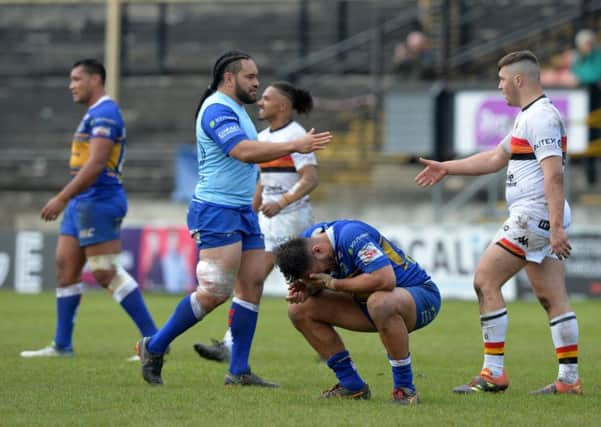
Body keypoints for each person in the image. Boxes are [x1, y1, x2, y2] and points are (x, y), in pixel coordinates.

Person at [135, 51, 331, 386]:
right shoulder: (216, 109)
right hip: (216, 209)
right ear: (230, 78)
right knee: (214, 290)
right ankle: (154, 345)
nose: (256, 84)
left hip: (241, 210)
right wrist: (295, 145)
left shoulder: (238, 111)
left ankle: (238, 370)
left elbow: (251, 164)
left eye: (258, 78)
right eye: (251, 77)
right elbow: (241, 151)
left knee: (252, 282)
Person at [415, 50, 582, 395]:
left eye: (503, 80)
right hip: (540, 215)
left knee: (484, 281)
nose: (499, 86)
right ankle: (569, 379)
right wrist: (447, 167)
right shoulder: (530, 116)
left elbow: (554, 176)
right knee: (552, 297)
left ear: (519, 80)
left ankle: (494, 373)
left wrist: (556, 227)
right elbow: (494, 158)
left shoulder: (541, 119)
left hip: (534, 214)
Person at [20, 59, 158, 358]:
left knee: (104, 271)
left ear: (96, 80)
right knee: (65, 268)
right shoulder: (93, 114)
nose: (71, 85)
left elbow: (96, 164)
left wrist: (61, 198)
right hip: (82, 202)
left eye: (77, 79)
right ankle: (62, 345)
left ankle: (156, 340)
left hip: (99, 199)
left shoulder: (106, 113)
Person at [193, 81, 319, 363]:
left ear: (283, 106)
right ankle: (232, 346)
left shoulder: (297, 136)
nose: (260, 102)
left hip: (290, 218)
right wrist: (252, 210)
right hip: (267, 216)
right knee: (303, 283)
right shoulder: (261, 137)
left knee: (254, 277)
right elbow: (261, 180)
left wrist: (282, 201)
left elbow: (310, 178)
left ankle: (230, 346)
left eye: (267, 98)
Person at [273, 219, 441, 404]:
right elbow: (318, 281)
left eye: (319, 271)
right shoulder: (307, 244)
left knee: (380, 302)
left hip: (419, 296)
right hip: (368, 304)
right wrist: (308, 288)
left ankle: (404, 389)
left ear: (317, 251)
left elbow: (386, 280)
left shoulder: (350, 235)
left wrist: (333, 283)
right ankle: (352, 386)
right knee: (299, 309)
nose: (326, 272)